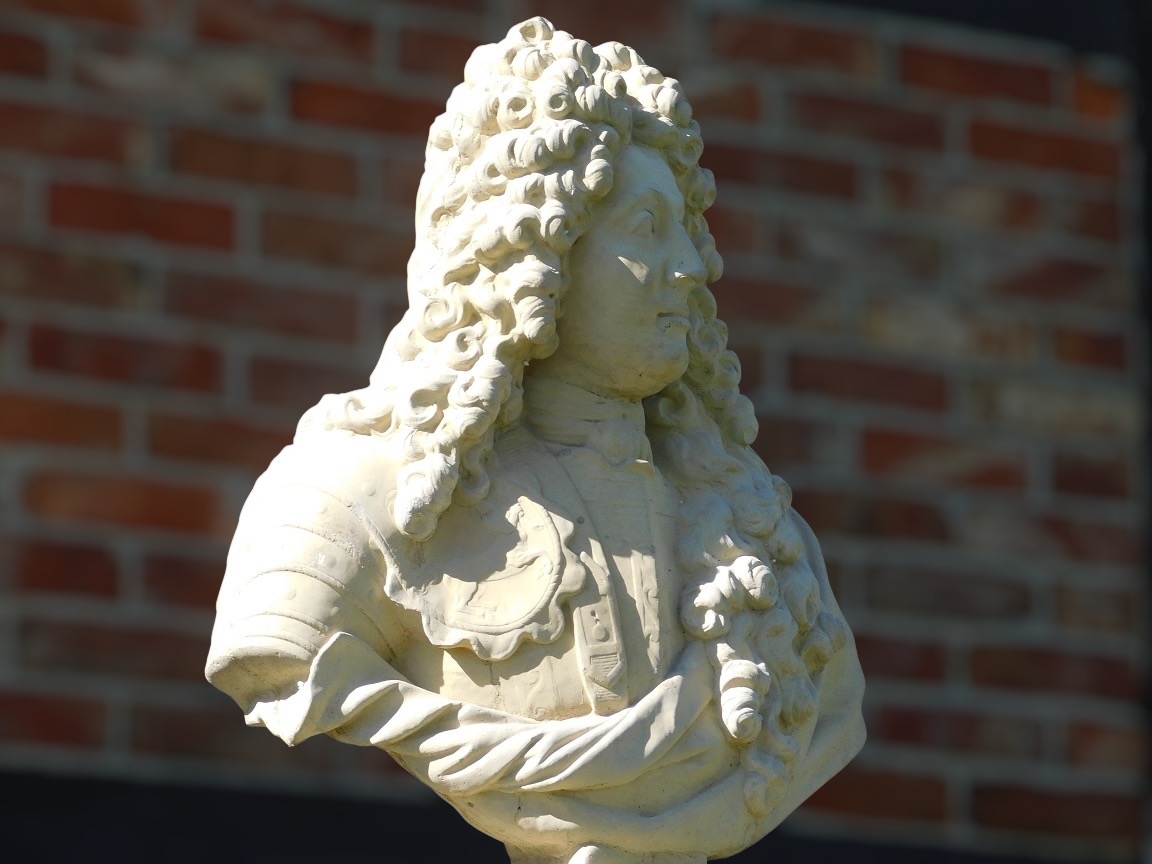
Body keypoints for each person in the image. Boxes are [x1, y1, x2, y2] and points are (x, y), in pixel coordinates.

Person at [206, 18, 865, 864]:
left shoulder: (760, 540)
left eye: (687, 232)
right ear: (538, 249)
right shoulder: (353, 495)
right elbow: (282, 657)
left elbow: (827, 709)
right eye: (646, 228)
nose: (692, 268)